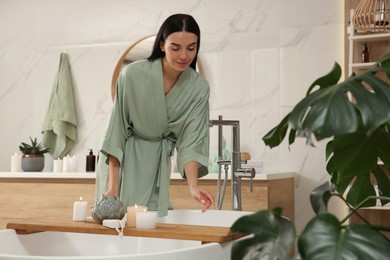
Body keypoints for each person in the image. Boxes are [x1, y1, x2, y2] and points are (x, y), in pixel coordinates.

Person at [95, 13, 215, 217]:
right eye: (175, 48)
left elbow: (192, 141)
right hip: (122, 165)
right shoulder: (131, 75)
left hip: (157, 168)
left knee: (152, 229)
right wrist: (113, 188)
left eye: (191, 48)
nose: (184, 55)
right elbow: (117, 131)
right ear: (162, 45)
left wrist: (193, 187)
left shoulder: (199, 88)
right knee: (117, 232)